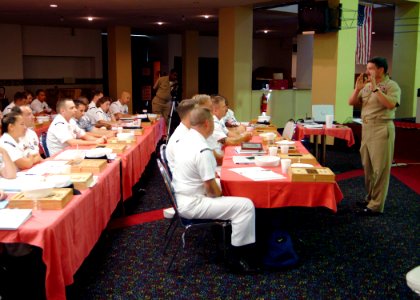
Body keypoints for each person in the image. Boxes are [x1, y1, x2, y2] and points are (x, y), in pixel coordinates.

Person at [172, 107, 257, 273]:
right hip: (193, 203)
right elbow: (212, 191)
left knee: (232, 193)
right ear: (207, 123)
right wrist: (222, 191)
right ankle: (237, 258)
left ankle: (227, 241)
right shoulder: (202, 149)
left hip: (183, 195)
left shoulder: (185, 140)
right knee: (245, 205)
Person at [348, 57, 401, 216]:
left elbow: (390, 104)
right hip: (367, 128)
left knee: (380, 169)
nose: (367, 71)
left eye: (370, 68)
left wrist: (377, 88)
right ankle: (370, 198)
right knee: (368, 167)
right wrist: (357, 89)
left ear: (381, 70)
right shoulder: (366, 86)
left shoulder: (392, 86)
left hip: (382, 128)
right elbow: (351, 102)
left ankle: (376, 205)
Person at [166, 98, 197, 173]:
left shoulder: (188, 130)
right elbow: (187, 168)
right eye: (199, 113)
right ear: (190, 114)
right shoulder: (182, 137)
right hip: (185, 180)